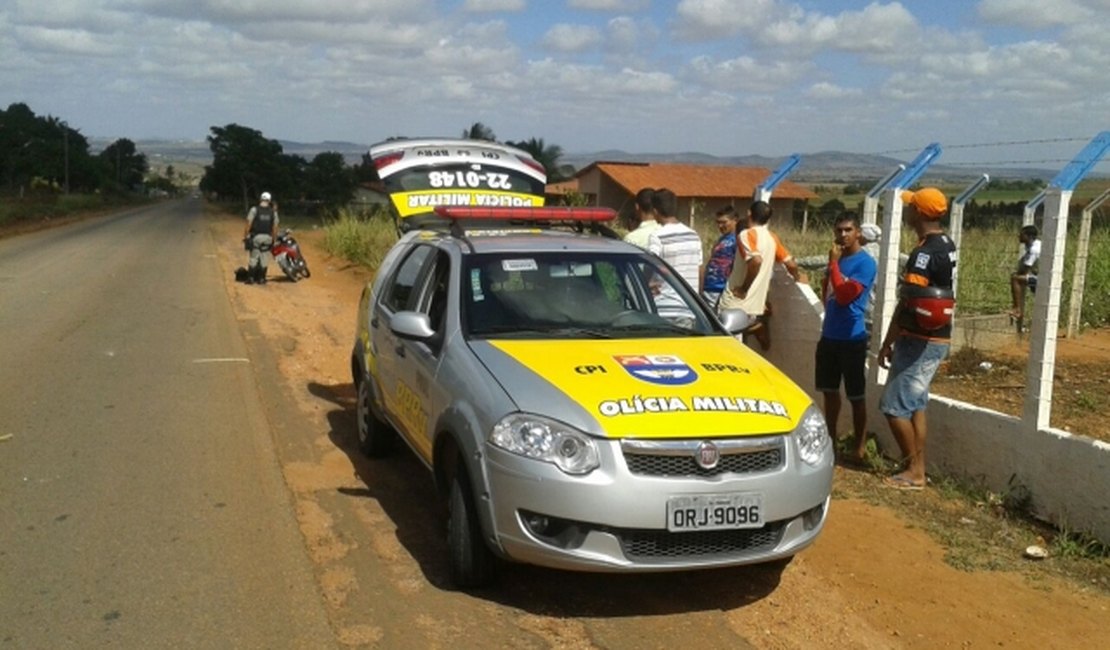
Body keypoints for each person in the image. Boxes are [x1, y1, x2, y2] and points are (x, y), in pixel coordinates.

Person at [878, 187, 957, 491]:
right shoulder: (946, 244)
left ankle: (915, 470)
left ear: (920, 214)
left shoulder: (923, 254)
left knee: (893, 407)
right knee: (916, 404)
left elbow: (908, 300)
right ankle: (916, 467)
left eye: (912, 206)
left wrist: (888, 340)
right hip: (938, 337)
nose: (908, 210)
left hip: (918, 338)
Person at [816, 214, 877, 465]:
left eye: (848, 230)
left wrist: (833, 266)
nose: (843, 235)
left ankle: (859, 447)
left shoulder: (865, 263)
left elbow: (844, 296)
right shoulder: (838, 260)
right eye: (839, 230)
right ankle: (831, 440)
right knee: (829, 392)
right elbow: (827, 293)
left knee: (856, 396)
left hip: (852, 337)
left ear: (858, 233)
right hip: (829, 335)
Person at [718, 201, 778, 338]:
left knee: (727, 344)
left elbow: (755, 261)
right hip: (754, 306)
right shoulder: (772, 238)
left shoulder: (746, 234)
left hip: (735, 302)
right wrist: (798, 276)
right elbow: (790, 263)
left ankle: (758, 328)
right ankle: (757, 327)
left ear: (749, 213)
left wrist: (744, 288)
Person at [646, 188, 703, 326]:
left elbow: (649, 266)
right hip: (688, 309)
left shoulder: (657, 236)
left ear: (655, 211)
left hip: (663, 308)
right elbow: (700, 271)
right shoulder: (693, 235)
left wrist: (645, 284)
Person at [700, 205, 739, 307]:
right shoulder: (721, 240)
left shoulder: (738, 240)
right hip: (708, 288)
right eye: (718, 223)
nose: (720, 226)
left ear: (734, 220)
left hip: (722, 289)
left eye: (724, 222)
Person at [243, 191, 279, 285]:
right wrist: (274, 239)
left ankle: (251, 278)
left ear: (260, 199)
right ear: (269, 200)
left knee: (254, 257)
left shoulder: (254, 210)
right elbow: (275, 227)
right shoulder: (273, 212)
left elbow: (248, 223)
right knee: (264, 258)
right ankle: (262, 279)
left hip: (256, 237)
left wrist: (246, 236)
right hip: (267, 238)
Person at [1010, 224, 1041, 324]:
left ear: (1029, 236)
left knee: (1015, 279)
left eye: (1022, 234)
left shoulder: (1034, 250)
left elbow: (1025, 269)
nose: (1019, 236)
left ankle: (1017, 309)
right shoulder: (1034, 245)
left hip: (1041, 279)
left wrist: (1018, 273)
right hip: (1040, 276)